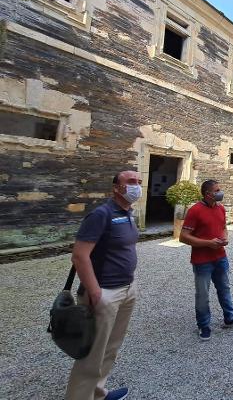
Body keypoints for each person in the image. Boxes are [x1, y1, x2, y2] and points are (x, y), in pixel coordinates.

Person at [66, 171, 142, 400]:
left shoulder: (128, 213)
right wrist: (95, 291)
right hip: (105, 293)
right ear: (116, 188)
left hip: (126, 289)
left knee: (110, 349)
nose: (136, 186)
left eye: (139, 182)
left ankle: (98, 393)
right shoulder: (101, 214)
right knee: (92, 355)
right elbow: (79, 256)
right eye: (130, 182)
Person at [179, 179, 233, 341]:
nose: (220, 192)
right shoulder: (195, 210)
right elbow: (183, 236)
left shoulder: (221, 209)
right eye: (217, 190)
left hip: (220, 257)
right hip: (202, 260)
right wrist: (208, 243)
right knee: (202, 294)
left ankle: (230, 317)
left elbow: (223, 227)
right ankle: (203, 324)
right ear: (208, 194)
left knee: (225, 288)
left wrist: (225, 238)